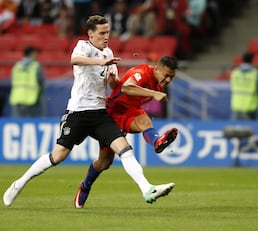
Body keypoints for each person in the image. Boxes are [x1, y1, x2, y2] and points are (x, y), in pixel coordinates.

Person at [3, 15, 175, 208]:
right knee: (58, 156)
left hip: (100, 113)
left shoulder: (108, 52)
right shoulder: (83, 46)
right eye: (101, 33)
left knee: (124, 149)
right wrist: (101, 63)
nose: (106, 36)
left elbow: (112, 84)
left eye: (107, 32)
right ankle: (19, 183)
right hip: (77, 112)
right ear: (91, 34)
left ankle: (146, 188)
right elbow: (73, 59)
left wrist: (112, 79)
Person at [75, 55, 179, 208]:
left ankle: (157, 142)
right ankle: (85, 186)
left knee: (145, 120)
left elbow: (120, 86)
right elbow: (126, 88)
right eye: (167, 75)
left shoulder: (159, 83)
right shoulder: (143, 72)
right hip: (112, 113)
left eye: (172, 77)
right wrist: (153, 94)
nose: (169, 80)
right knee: (104, 162)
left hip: (130, 112)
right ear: (157, 69)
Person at [9, 46, 45, 118]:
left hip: (17, 97)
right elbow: (41, 83)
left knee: (17, 123)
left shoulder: (16, 66)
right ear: (32, 54)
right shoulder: (36, 66)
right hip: (32, 99)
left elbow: (12, 81)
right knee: (32, 123)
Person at [230, 52, 258, 121]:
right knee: (250, 130)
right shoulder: (255, 74)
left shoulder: (235, 73)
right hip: (251, 107)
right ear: (252, 60)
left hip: (236, 105)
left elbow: (232, 87)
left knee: (235, 129)